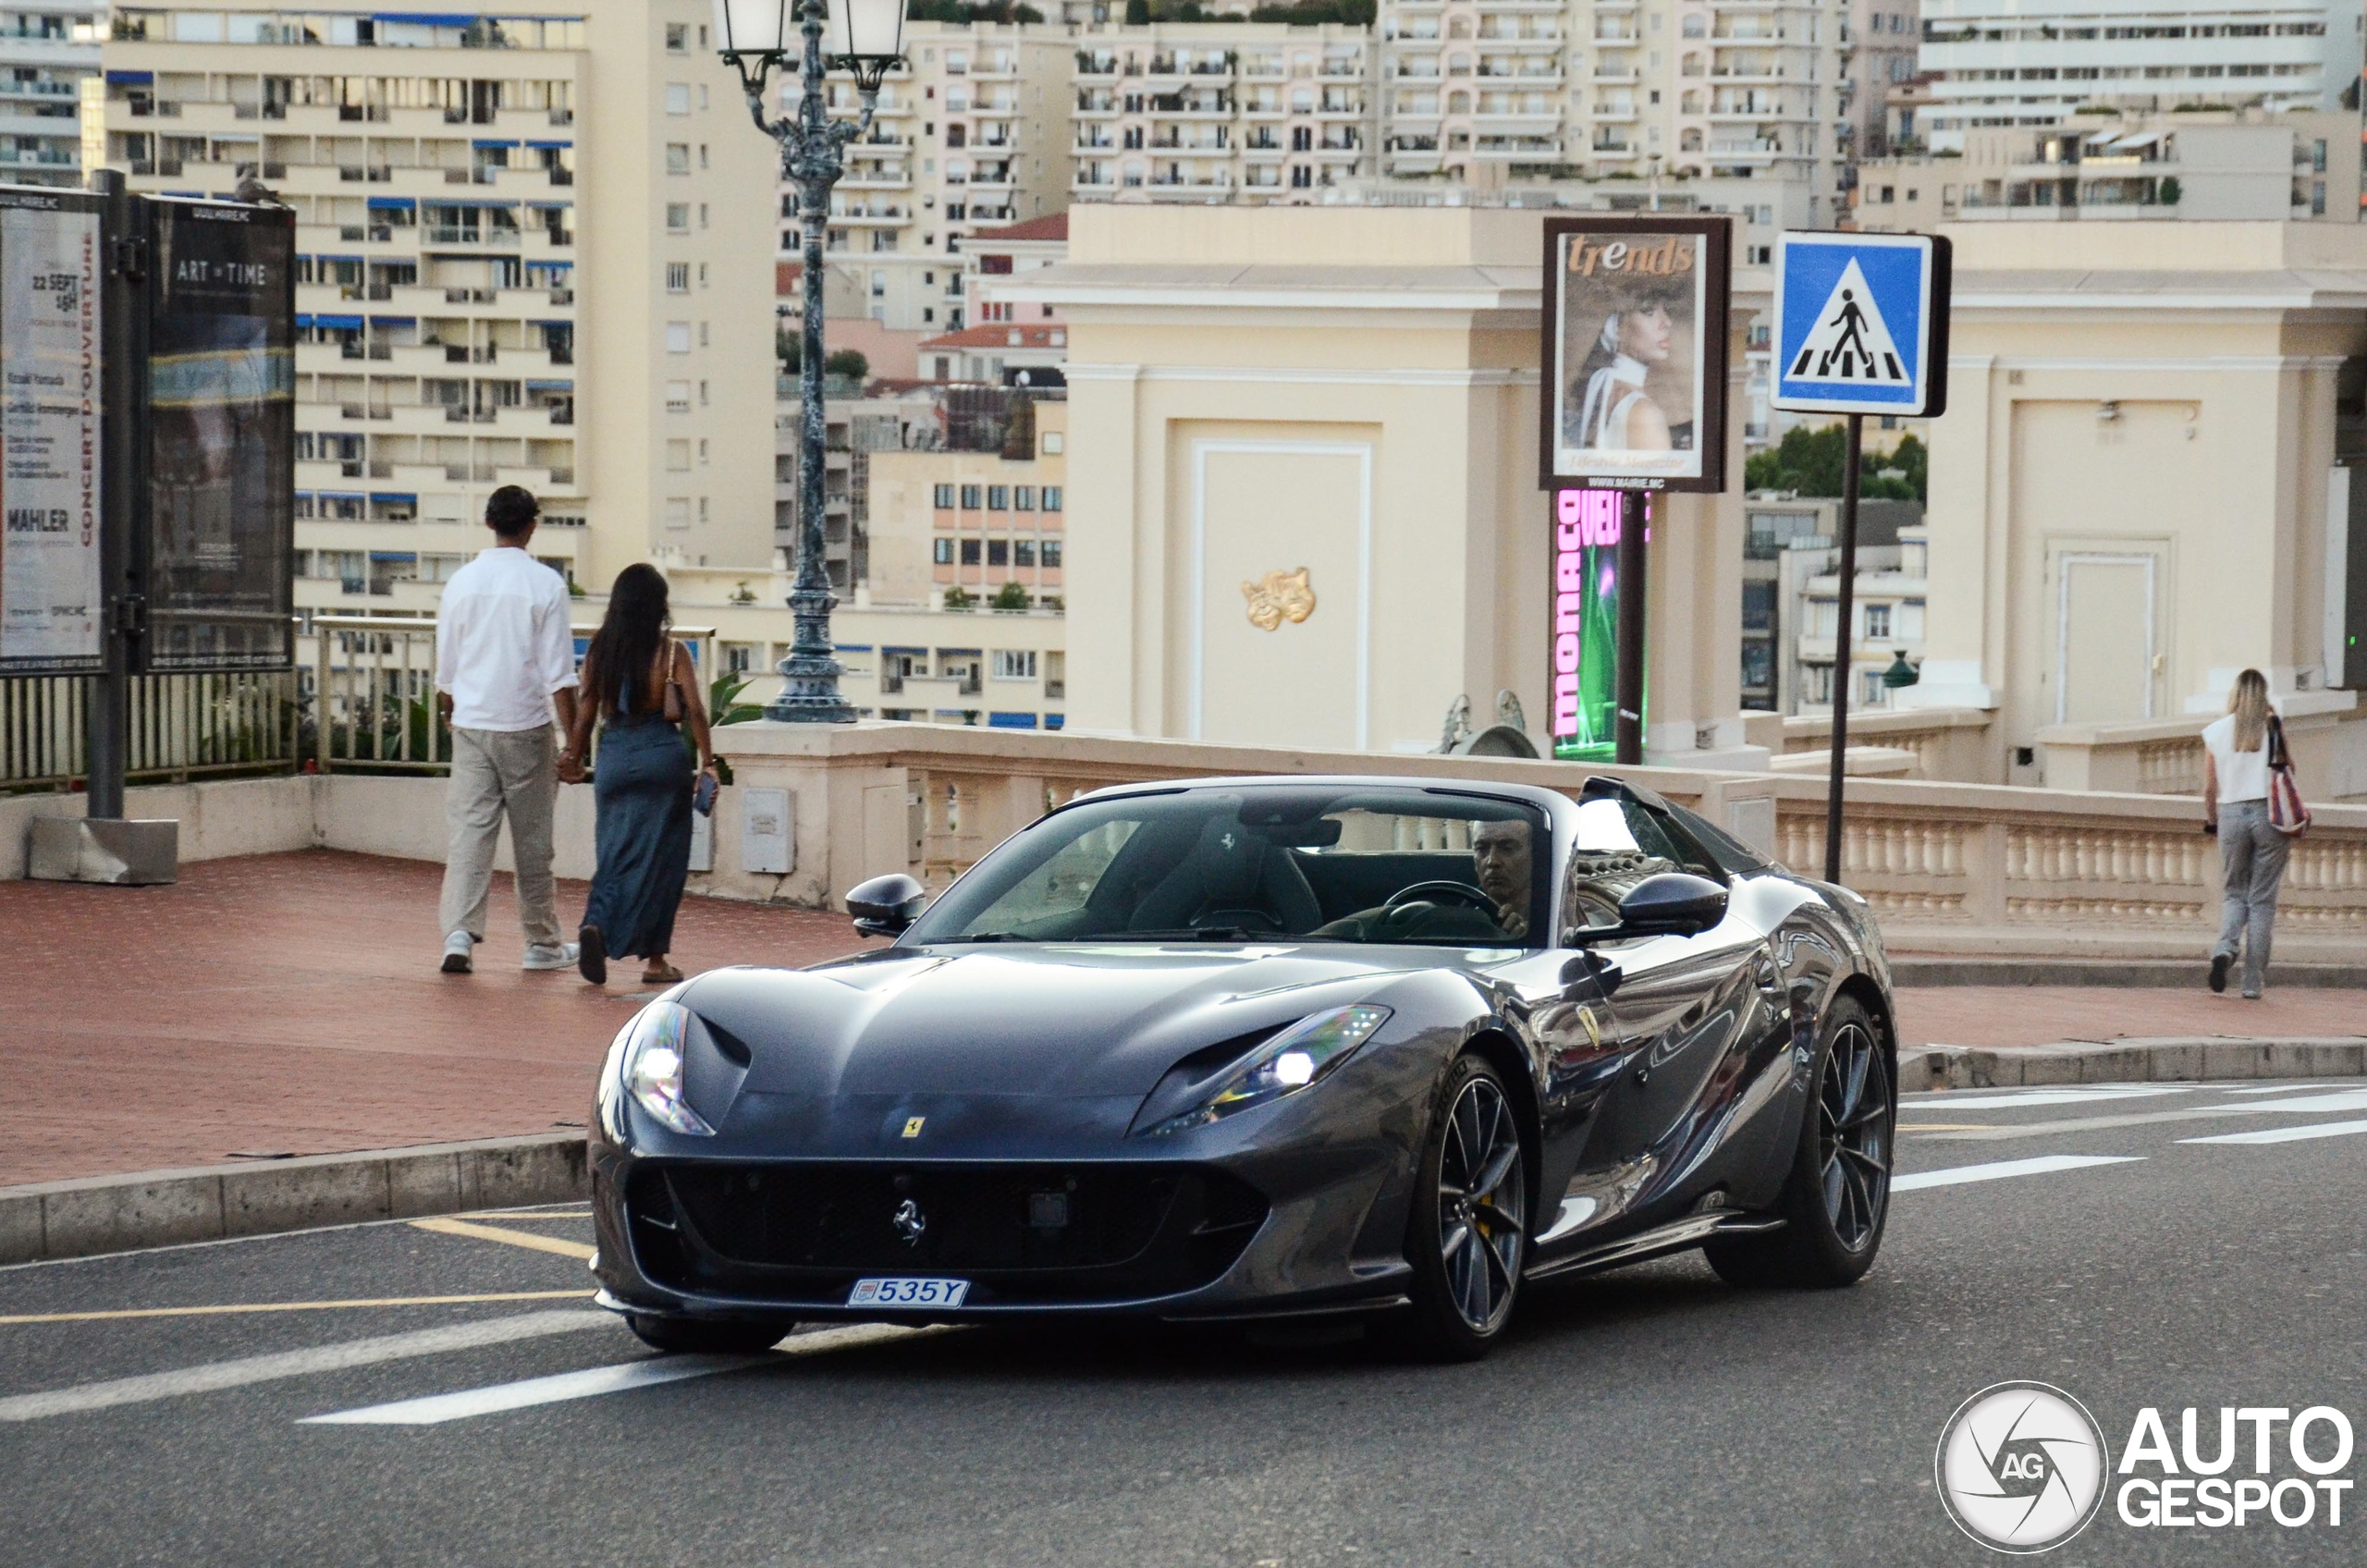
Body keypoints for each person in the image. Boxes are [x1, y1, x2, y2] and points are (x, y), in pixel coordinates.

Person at [432, 486, 580, 975]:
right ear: (531, 525)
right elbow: (560, 674)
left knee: (470, 836)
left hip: (472, 723)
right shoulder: (546, 585)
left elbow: (446, 672)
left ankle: (459, 933)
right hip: (525, 724)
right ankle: (541, 941)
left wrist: (450, 712)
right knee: (533, 839)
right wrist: (575, 743)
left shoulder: (461, 582)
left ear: (490, 523)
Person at [562, 564, 714, 986]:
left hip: (613, 758)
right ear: (659, 605)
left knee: (614, 853)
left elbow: (586, 713)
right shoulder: (672, 652)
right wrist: (709, 762)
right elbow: (696, 712)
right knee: (663, 862)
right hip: (661, 759)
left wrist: (573, 756)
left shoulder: (598, 650)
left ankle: (596, 924)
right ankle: (655, 961)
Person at [2201, 668, 2288, 998]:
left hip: (2231, 814)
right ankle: (2252, 983)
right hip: (2268, 814)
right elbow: (2288, 770)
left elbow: (2210, 787)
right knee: (2262, 900)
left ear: (2235, 694)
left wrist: (2213, 822)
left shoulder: (2216, 732)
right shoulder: (2272, 727)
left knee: (2234, 892)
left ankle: (2224, 949)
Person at [1567, 273, 1687, 458]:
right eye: (1649, 312)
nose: (1666, 322)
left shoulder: (1602, 383)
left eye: (1666, 312)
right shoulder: (1645, 414)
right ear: (1617, 328)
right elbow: (1656, 484)